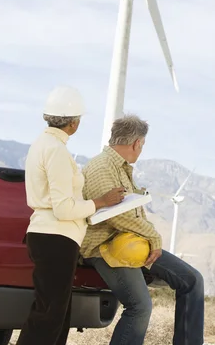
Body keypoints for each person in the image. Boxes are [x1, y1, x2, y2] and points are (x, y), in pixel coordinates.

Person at [81, 114, 204, 345]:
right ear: (137, 143)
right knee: (140, 306)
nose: (141, 150)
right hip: (106, 248)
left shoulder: (120, 167)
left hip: (133, 245)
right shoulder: (101, 168)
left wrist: (149, 237)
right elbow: (117, 217)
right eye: (143, 145)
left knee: (192, 280)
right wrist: (154, 236)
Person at [17, 86, 125, 345]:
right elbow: (63, 208)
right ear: (74, 123)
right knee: (49, 315)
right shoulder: (56, 151)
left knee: (58, 314)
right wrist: (100, 202)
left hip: (49, 237)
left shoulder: (41, 145)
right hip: (56, 238)